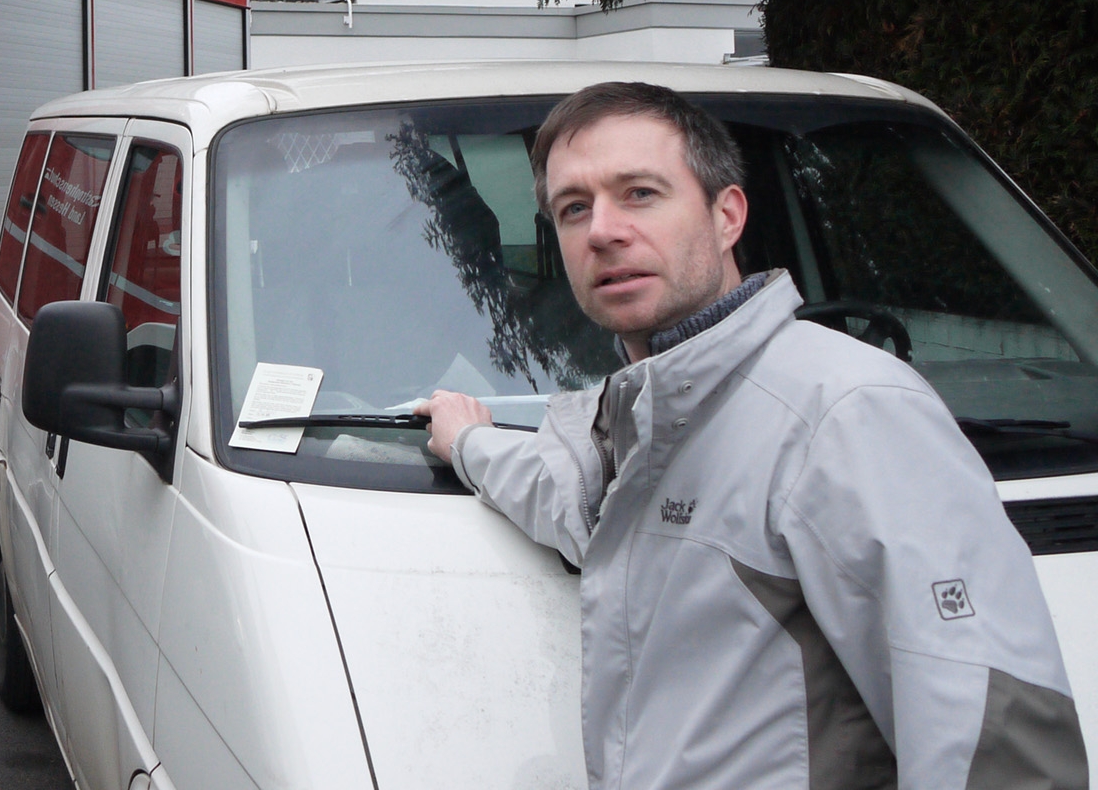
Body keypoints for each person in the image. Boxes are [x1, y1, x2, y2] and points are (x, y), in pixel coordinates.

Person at [419, 81, 1085, 789]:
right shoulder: (647, 411)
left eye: (640, 193)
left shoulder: (846, 411)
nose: (603, 230)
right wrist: (470, 443)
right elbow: (579, 503)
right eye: (574, 208)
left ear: (727, 214)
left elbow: (994, 744)